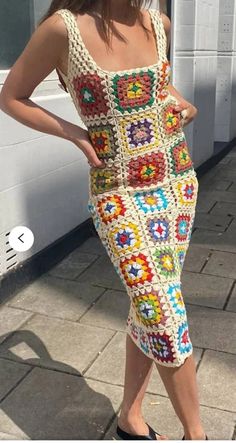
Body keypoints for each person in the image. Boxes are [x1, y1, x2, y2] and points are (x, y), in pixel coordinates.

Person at [0, 0, 208, 440]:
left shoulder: (159, 23)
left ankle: (130, 418)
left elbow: (160, 90)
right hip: (119, 194)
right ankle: (198, 434)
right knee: (163, 312)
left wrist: (183, 105)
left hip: (177, 184)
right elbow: (11, 97)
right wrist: (74, 132)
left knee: (149, 308)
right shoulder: (64, 29)